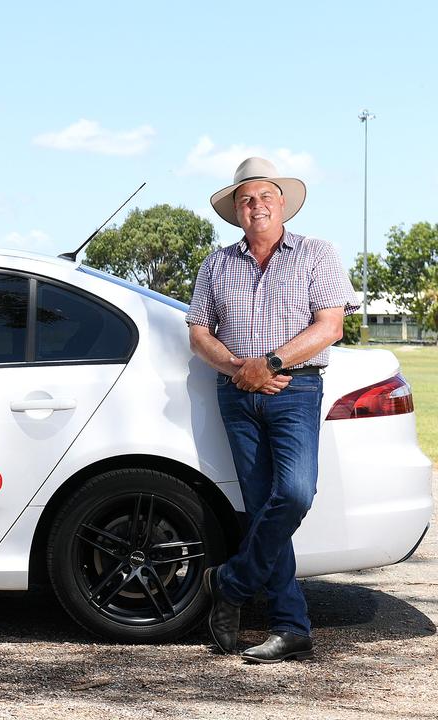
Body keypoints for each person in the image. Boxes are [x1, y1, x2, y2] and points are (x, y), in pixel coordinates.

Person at [186, 156, 358, 663]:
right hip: (237, 395)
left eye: (264, 197)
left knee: (296, 495)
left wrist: (272, 362)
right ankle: (291, 626)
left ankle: (231, 584)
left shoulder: (316, 254)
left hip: (296, 391)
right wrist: (241, 367)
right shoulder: (216, 264)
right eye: (246, 199)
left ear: (282, 204)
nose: (256, 205)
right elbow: (198, 333)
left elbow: (330, 327)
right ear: (236, 211)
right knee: (263, 509)